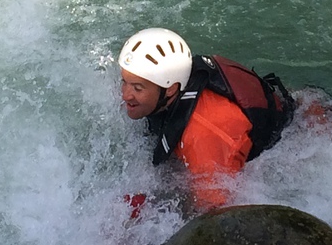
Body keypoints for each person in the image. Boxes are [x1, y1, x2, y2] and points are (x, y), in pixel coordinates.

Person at [117, 28, 296, 214]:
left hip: (291, 138)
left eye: (137, 88)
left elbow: (215, 212)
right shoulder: (174, 80)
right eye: (124, 82)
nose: (125, 95)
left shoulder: (202, 138)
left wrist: (154, 210)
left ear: (170, 89)